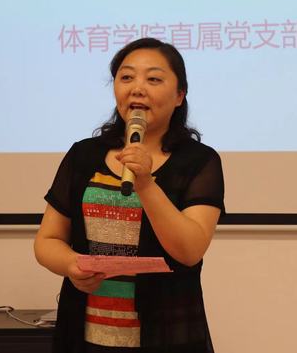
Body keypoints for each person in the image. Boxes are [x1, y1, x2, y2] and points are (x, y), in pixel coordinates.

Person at [34, 38, 225, 353]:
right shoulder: (83, 154)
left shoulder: (198, 161)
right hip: (85, 333)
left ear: (179, 95)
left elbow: (189, 250)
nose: (137, 88)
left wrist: (145, 183)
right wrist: (71, 264)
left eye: (153, 79)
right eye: (126, 77)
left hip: (166, 333)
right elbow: (47, 240)